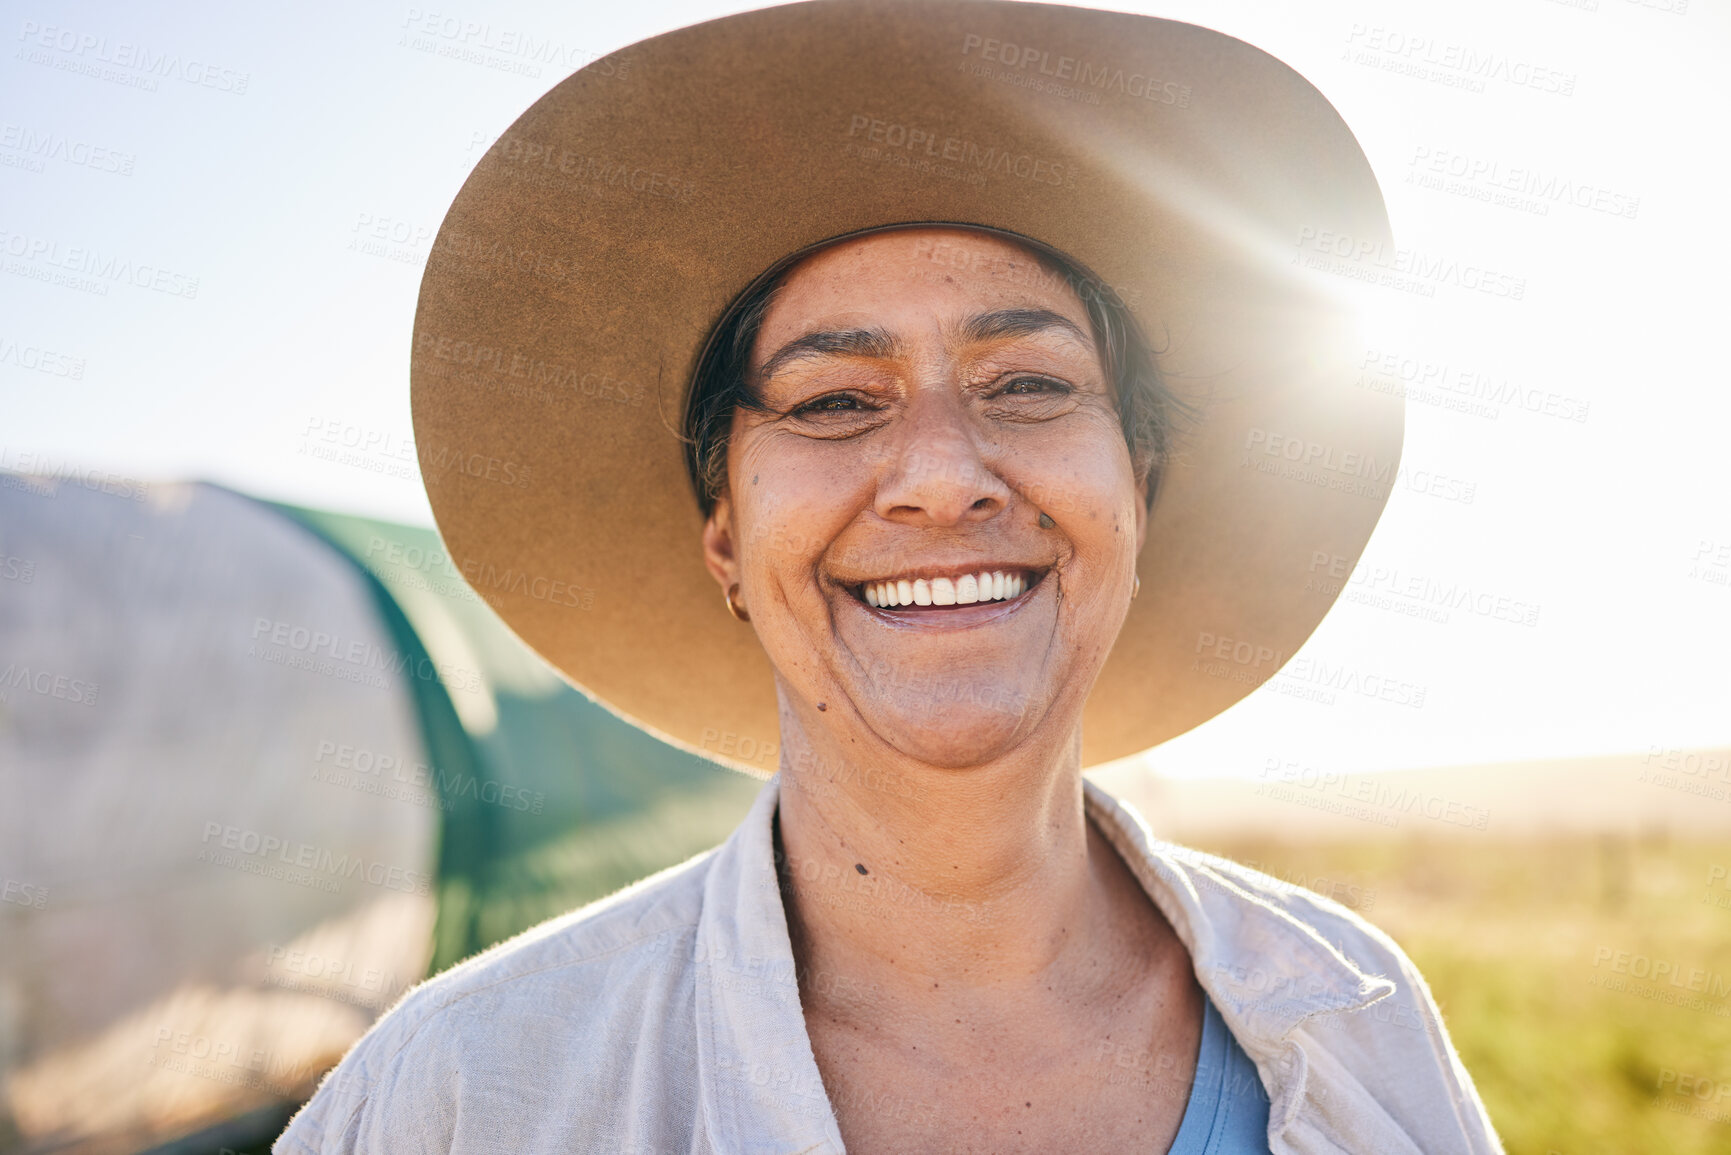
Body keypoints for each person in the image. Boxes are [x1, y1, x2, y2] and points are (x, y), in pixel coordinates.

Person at [280, 3, 1502, 1152]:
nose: (940, 476)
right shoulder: (468, 1088)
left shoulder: (1354, 1017)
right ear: (728, 547)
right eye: (831, 402)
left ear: (1137, 498)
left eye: (1028, 385)